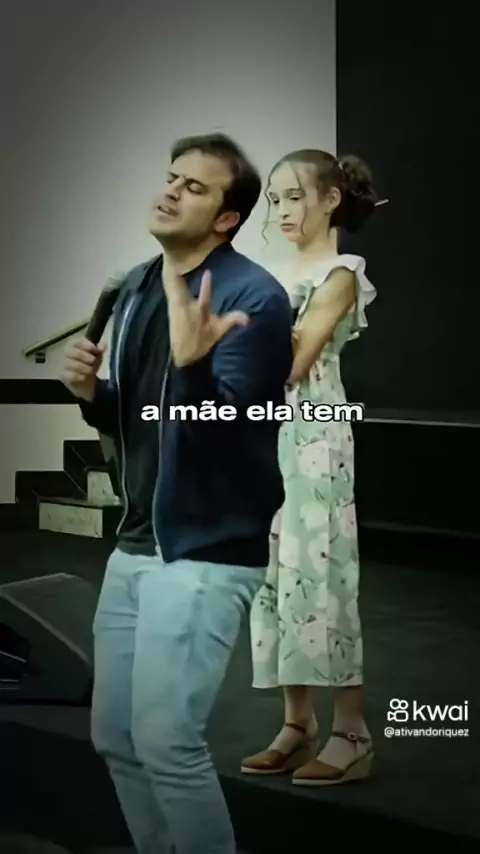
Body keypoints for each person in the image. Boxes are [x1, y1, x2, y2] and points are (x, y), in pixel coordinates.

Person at [60, 132, 293, 854]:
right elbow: (138, 419)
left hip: (207, 551)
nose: (170, 191)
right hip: (137, 543)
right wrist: (92, 396)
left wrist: (192, 370)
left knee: (167, 742)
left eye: (194, 187)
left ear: (227, 217)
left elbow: (229, 424)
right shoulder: (138, 285)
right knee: (117, 737)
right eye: (171, 177)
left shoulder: (255, 297)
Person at [241, 149, 379, 785]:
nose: (281, 210)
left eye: (295, 196)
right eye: (274, 198)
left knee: (323, 572)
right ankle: (297, 724)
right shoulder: (267, 272)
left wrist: (230, 339)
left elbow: (295, 362)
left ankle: (352, 731)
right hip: (262, 435)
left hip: (315, 435)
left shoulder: (341, 272)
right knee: (273, 576)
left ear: (330, 199)